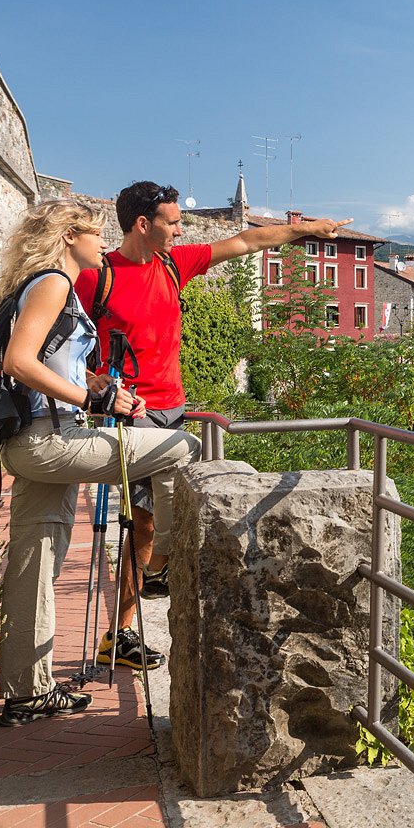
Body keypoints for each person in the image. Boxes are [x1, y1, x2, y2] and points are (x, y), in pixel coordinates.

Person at [74, 181, 351, 668]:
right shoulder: (97, 278)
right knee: (142, 525)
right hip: (129, 414)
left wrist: (306, 230)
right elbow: (65, 348)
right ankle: (120, 630)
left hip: (174, 411)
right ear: (144, 224)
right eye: (173, 221)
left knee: (158, 521)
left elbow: (246, 242)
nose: (181, 229)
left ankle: (144, 591)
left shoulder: (172, 265)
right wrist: (98, 382)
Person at [0, 199, 201, 726]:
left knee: (34, 563)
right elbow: (17, 362)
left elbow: (48, 361)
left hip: (31, 440)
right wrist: (93, 403)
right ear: (68, 236)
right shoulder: (54, 284)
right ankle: (168, 568)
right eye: (93, 233)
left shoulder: (37, 285)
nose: (102, 243)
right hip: (50, 439)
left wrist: (106, 389)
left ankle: (27, 693)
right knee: (182, 448)